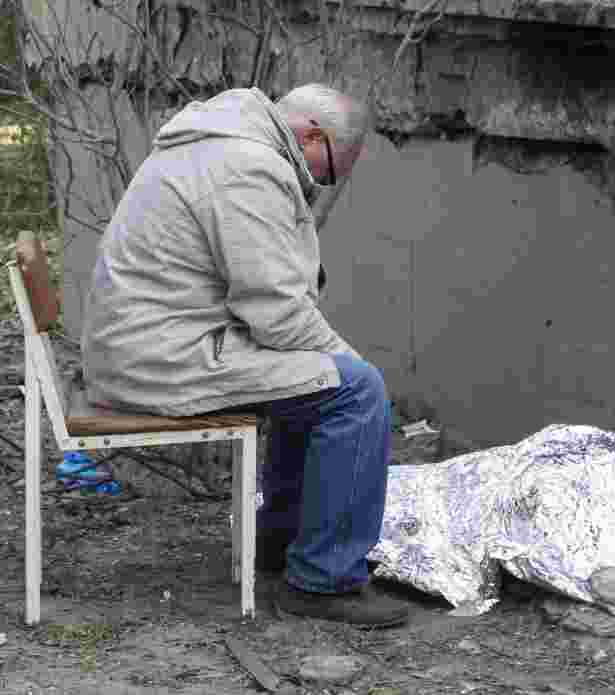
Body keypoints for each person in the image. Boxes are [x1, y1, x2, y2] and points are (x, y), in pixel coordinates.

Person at [80, 84, 409, 628]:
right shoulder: (246, 167)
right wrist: (355, 367)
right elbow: (276, 312)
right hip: (160, 358)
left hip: (147, 345)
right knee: (355, 391)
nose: (319, 186)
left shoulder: (219, 142)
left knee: (318, 382)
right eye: (327, 173)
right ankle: (323, 581)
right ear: (312, 136)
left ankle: (279, 542)